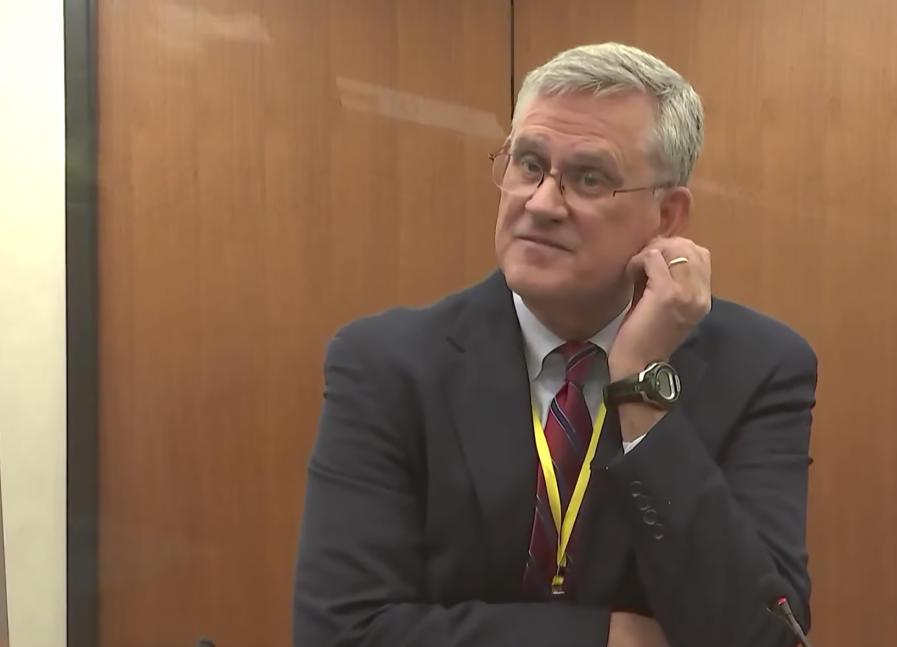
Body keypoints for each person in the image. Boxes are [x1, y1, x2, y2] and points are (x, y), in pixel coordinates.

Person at [293, 42, 816, 647]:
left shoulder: (759, 367)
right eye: (528, 164)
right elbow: (342, 633)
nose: (540, 203)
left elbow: (766, 638)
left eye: (588, 178)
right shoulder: (387, 365)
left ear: (667, 215)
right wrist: (606, 640)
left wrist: (643, 385)